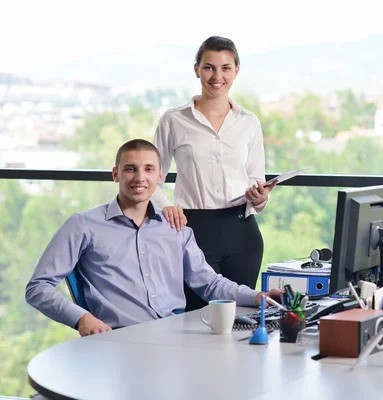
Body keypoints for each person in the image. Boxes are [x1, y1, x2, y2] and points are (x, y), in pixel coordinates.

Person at [25, 139, 282, 336]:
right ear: (115, 174)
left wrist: (259, 297)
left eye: (149, 169)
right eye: (130, 169)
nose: (140, 178)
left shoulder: (176, 229)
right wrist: (82, 319)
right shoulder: (83, 225)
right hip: (119, 342)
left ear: (160, 177)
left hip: (176, 339)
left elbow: (211, 285)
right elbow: (38, 288)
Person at [152, 36, 276, 310]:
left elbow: (257, 181)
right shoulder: (174, 120)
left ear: (236, 71)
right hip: (193, 231)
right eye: (209, 67)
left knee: (241, 318)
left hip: (243, 233)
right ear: (197, 69)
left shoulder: (249, 122)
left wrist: (260, 197)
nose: (216, 76)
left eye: (225, 68)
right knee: (195, 319)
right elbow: (151, 179)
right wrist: (167, 207)